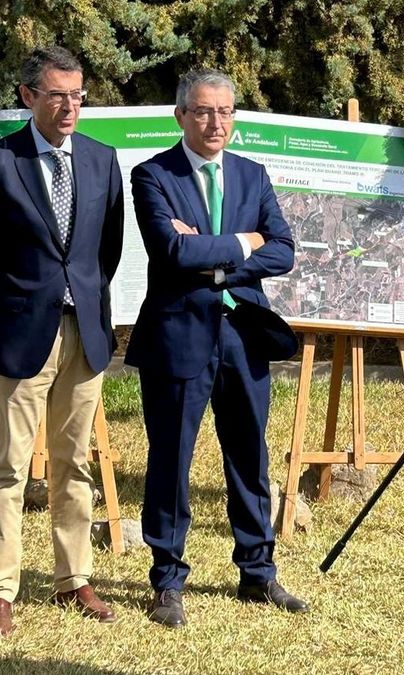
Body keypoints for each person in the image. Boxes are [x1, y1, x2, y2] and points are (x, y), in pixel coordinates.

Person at [126, 68, 308, 628]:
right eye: (204, 111)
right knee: (171, 461)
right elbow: (169, 251)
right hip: (178, 336)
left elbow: (284, 250)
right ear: (181, 114)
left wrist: (216, 253)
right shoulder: (153, 174)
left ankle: (258, 572)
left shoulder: (252, 176)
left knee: (250, 456)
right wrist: (242, 243)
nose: (216, 122)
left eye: (226, 112)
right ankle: (167, 581)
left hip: (243, 336)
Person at [0, 46, 124, 635]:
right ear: (29, 97)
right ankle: (2, 589)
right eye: (57, 95)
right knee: (8, 465)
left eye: (78, 95)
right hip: (21, 334)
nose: (70, 106)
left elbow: (107, 252)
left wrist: (89, 307)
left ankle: (73, 578)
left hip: (86, 333)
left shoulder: (104, 161)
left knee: (74, 462)